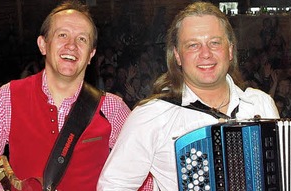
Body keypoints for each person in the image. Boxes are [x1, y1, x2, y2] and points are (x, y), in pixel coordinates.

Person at [97, 2, 279, 190]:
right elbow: (113, 185)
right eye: (193, 45)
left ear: (230, 50)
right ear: (177, 55)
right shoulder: (152, 116)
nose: (206, 53)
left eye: (214, 43)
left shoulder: (261, 104)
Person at [0, 1, 132, 190]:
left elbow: (139, 164)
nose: (71, 45)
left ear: (91, 55)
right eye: (62, 35)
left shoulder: (112, 107)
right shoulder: (9, 96)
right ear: (43, 45)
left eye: (82, 39)